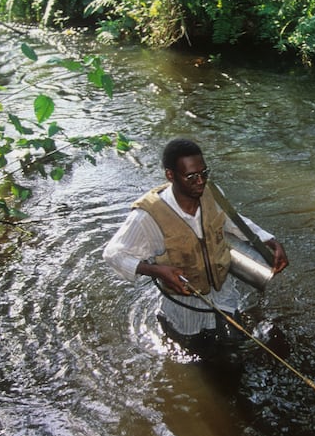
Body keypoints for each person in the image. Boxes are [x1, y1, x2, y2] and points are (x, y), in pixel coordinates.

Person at [103, 138, 288, 359]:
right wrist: (156, 270)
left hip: (223, 293)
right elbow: (113, 254)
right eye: (191, 176)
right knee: (196, 355)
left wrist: (270, 241)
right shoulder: (148, 216)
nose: (200, 181)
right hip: (184, 307)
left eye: (204, 173)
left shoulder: (212, 193)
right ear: (170, 175)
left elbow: (234, 222)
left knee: (235, 353)